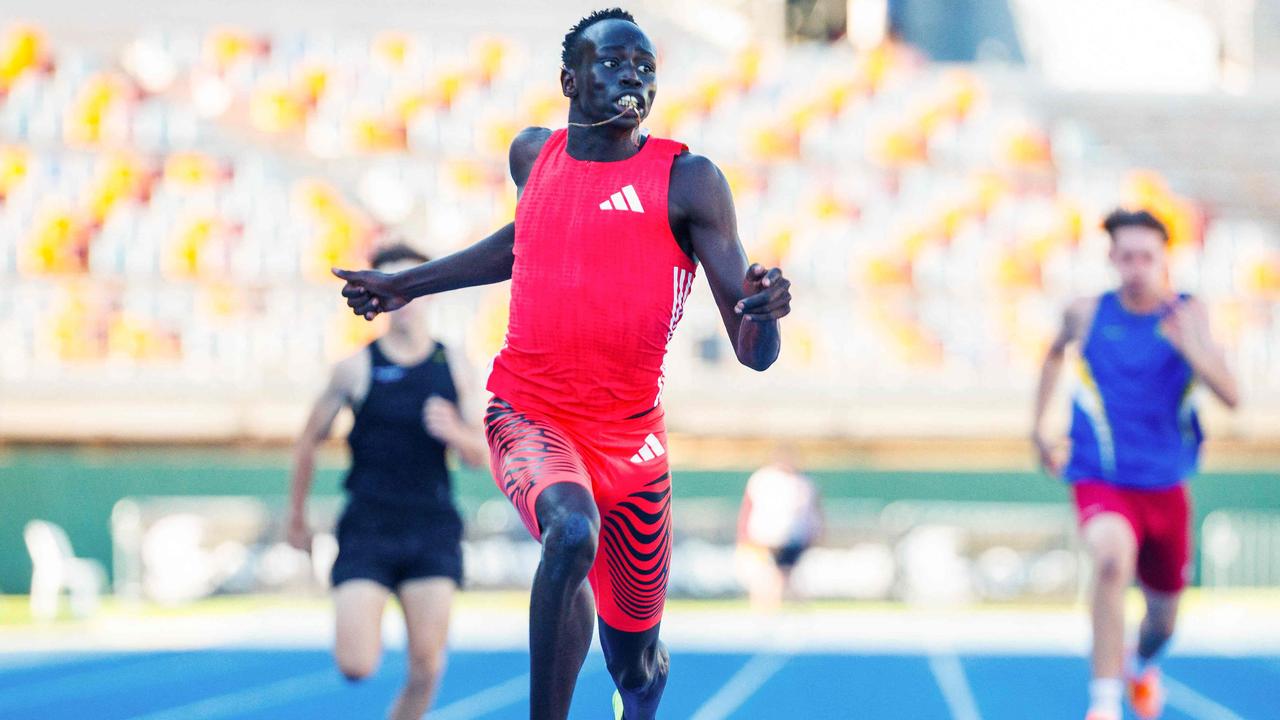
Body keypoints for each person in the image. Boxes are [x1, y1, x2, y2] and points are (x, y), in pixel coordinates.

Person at [331, 9, 793, 719]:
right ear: (569, 79)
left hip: (633, 445)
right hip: (529, 412)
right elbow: (523, 240)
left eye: (646, 66)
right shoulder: (532, 156)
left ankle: (636, 701)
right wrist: (404, 285)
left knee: (634, 660)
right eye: (614, 62)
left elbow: (754, 353)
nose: (633, 74)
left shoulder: (689, 181)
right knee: (570, 531)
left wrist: (764, 313)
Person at [1031, 209, 1238, 720]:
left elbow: (1232, 395)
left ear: (1164, 258)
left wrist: (1191, 347)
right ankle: (1103, 703)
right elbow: (1054, 355)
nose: (1137, 267)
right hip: (1101, 475)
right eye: (1127, 256)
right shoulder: (1085, 312)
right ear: (1112, 258)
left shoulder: (1189, 315)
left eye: (1147, 256)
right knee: (1109, 560)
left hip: (1165, 485)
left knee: (1163, 620)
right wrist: (1039, 425)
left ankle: (1142, 663)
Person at [288, 243, 488, 720]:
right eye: (390, 284)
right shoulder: (355, 367)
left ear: (428, 293)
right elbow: (307, 440)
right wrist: (296, 517)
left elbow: (482, 455)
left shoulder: (454, 364)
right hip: (369, 528)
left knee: (427, 665)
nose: (401, 299)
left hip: (430, 527)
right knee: (356, 664)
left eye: (409, 285)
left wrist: (456, 433)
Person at [735, 451, 823, 611]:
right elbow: (748, 508)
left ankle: (796, 613)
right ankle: (764, 613)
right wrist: (745, 535)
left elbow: (813, 511)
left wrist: (814, 533)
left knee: (789, 579)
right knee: (765, 579)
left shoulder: (803, 483)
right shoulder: (762, 479)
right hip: (765, 538)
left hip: (792, 539)